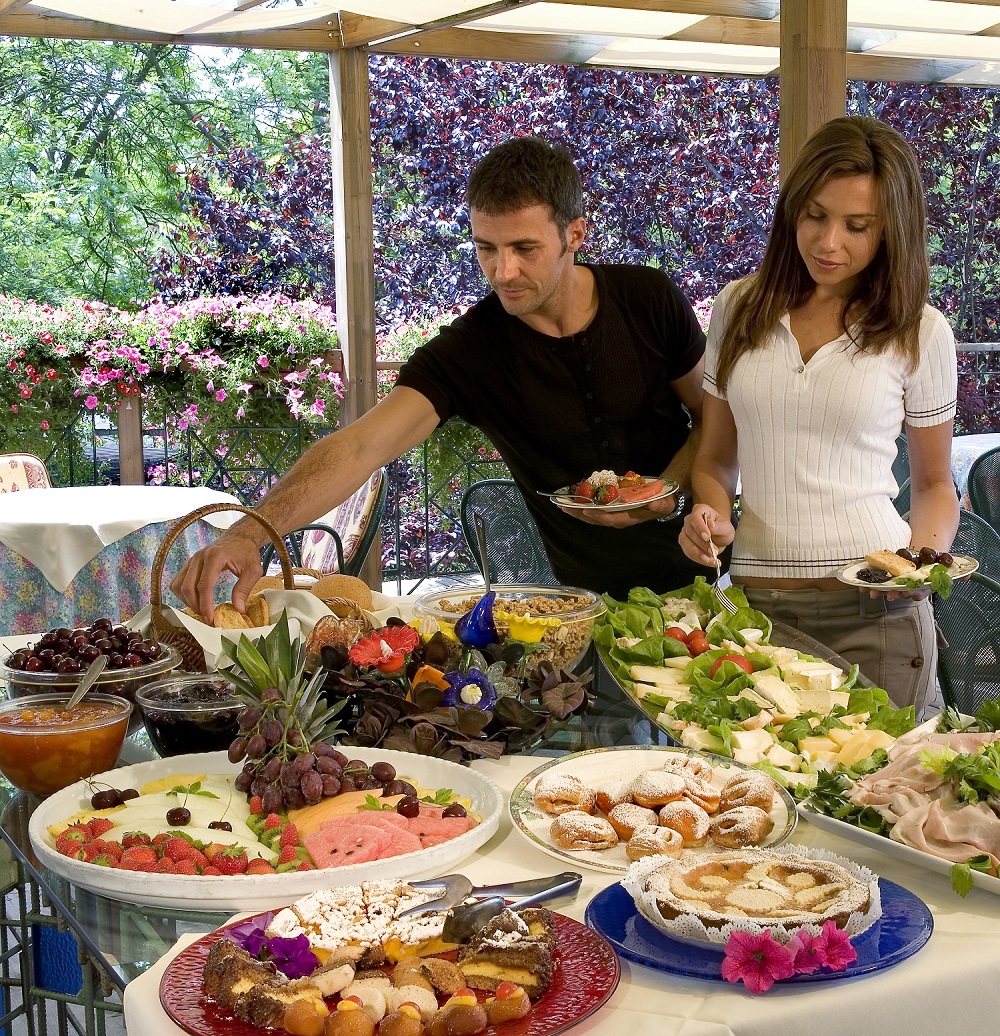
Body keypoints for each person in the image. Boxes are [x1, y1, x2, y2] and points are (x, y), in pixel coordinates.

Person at [172, 135, 708, 616]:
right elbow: (359, 447)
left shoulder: (649, 299)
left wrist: (668, 491)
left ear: (575, 235)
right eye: (486, 248)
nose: (503, 272)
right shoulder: (471, 351)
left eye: (525, 249)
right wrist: (250, 531)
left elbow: (711, 417)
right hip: (587, 602)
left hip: (706, 579)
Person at [679, 116, 958, 715]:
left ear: (892, 230)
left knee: (882, 775)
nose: (829, 243)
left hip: (877, 615)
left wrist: (917, 566)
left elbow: (935, 485)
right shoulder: (738, 307)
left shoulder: (921, 330)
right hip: (757, 612)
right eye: (814, 216)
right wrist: (709, 515)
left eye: (858, 226)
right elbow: (715, 459)